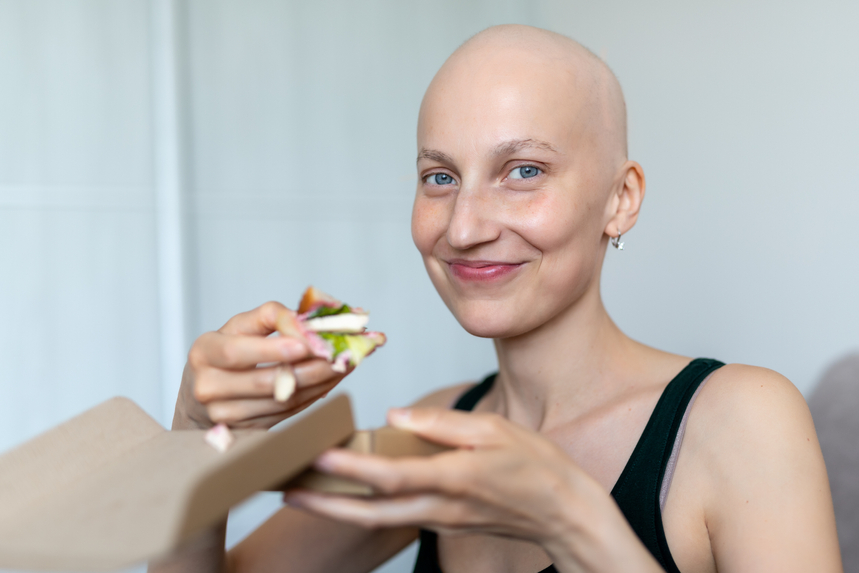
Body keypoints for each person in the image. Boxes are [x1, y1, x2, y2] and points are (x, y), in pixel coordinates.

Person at [150, 24, 842, 573]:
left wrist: (570, 517)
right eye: (440, 176)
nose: (464, 227)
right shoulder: (430, 432)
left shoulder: (741, 419)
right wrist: (197, 433)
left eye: (523, 170)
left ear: (620, 199)